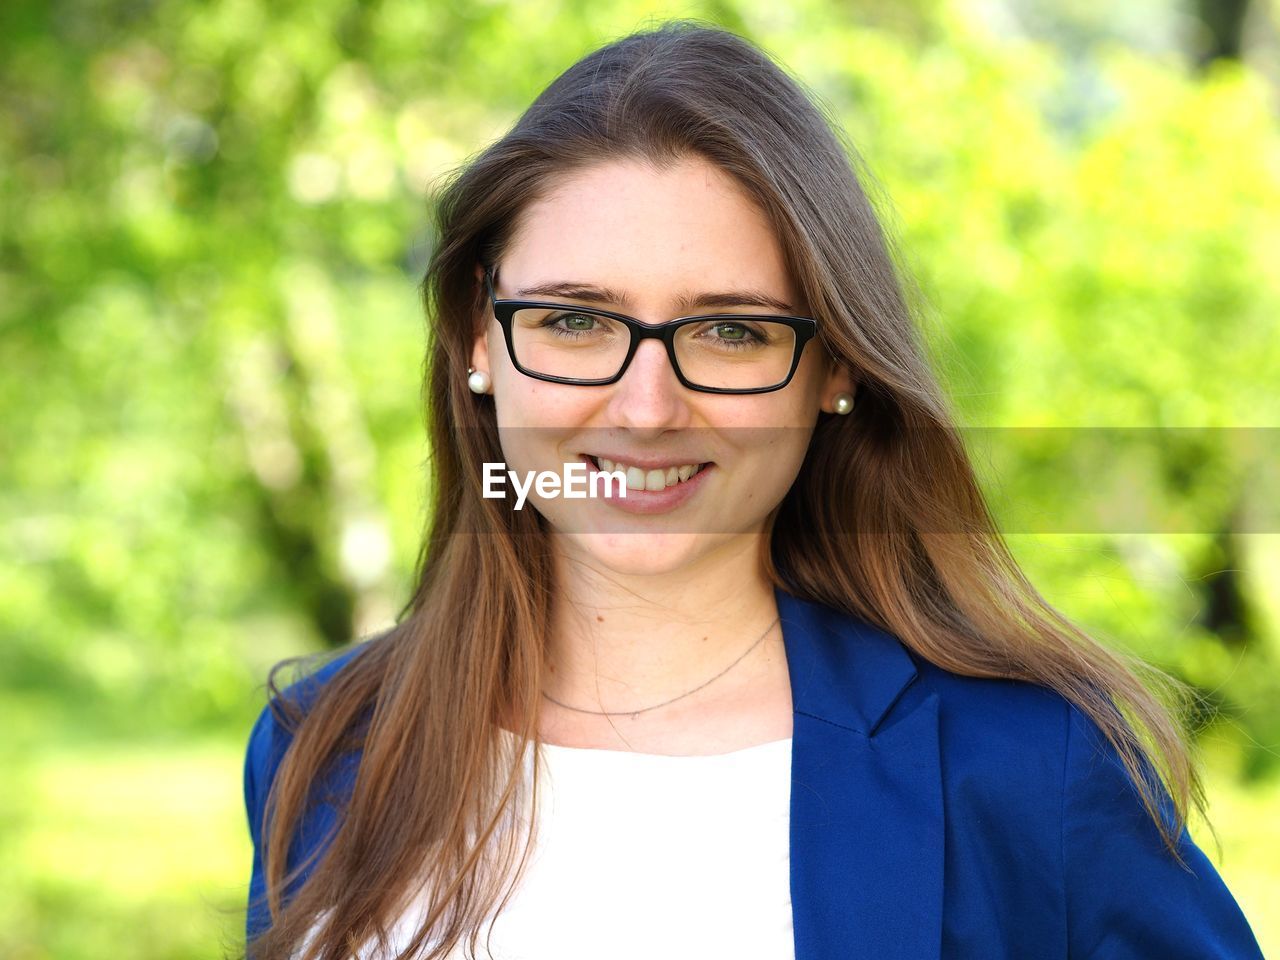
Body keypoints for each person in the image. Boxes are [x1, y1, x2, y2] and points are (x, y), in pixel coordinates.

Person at [242, 20, 1265, 960]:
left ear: (835, 370)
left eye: (731, 331)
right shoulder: (324, 745)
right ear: (479, 335)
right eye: (573, 321)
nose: (644, 408)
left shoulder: (1023, 767)